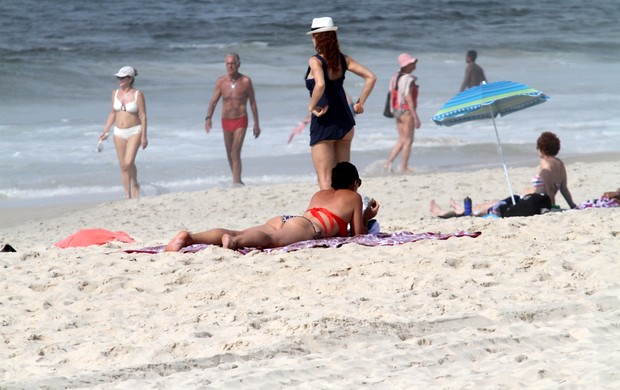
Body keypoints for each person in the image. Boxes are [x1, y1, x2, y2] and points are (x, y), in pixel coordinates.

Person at [165, 162, 380, 251]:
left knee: (241, 230)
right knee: (271, 241)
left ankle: (190, 238)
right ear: (355, 183)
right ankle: (235, 242)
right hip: (308, 228)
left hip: (288, 220)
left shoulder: (320, 193)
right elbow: (358, 236)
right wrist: (366, 216)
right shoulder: (353, 197)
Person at [430, 131, 577, 217]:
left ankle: (451, 212)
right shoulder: (560, 164)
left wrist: (552, 207)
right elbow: (563, 189)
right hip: (531, 200)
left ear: (541, 148)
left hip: (528, 201)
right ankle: (459, 210)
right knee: (490, 203)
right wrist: (573, 206)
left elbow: (549, 188)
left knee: (490, 205)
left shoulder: (545, 163)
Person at [305, 17, 376, 190]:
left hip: (325, 121)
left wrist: (311, 106)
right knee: (344, 179)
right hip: (345, 121)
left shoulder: (315, 61)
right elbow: (371, 77)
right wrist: (360, 102)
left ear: (317, 38)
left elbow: (320, 84)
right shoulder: (344, 59)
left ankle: (331, 216)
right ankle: (348, 213)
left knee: (326, 180)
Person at [205, 53, 261, 185]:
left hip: (241, 119)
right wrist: (208, 118)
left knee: (235, 151)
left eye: (233, 63)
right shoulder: (221, 82)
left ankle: (236, 181)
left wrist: (256, 124)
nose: (230, 66)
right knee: (229, 152)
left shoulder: (246, 81)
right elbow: (213, 101)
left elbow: (253, 102)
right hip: (226, 120)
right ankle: (236, 179)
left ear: (238, 64)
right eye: (228, 63)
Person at [99, 66, 148, 199]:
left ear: (130, 78)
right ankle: (127, 195)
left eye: (122, 77)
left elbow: (143, 115)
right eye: (118, 77)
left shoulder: (138, 94)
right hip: (118, 132)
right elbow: (113, 113)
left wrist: (144, 136)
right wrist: (105, 131)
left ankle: (135, 184)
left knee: (128, 162)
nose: (119, 79)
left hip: (135, 131)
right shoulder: (114, 93)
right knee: (122, 165)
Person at [384, 53, 421, 173]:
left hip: (396, 111)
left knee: (401, 139)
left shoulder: (395, 77)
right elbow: (408, 97)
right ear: (407, 65)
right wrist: (415, 116)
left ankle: (388, 163)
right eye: (412, 63)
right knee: (408, 141)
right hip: (406, 111)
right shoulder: (408, 79)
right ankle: (404, 166)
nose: (415, 64)